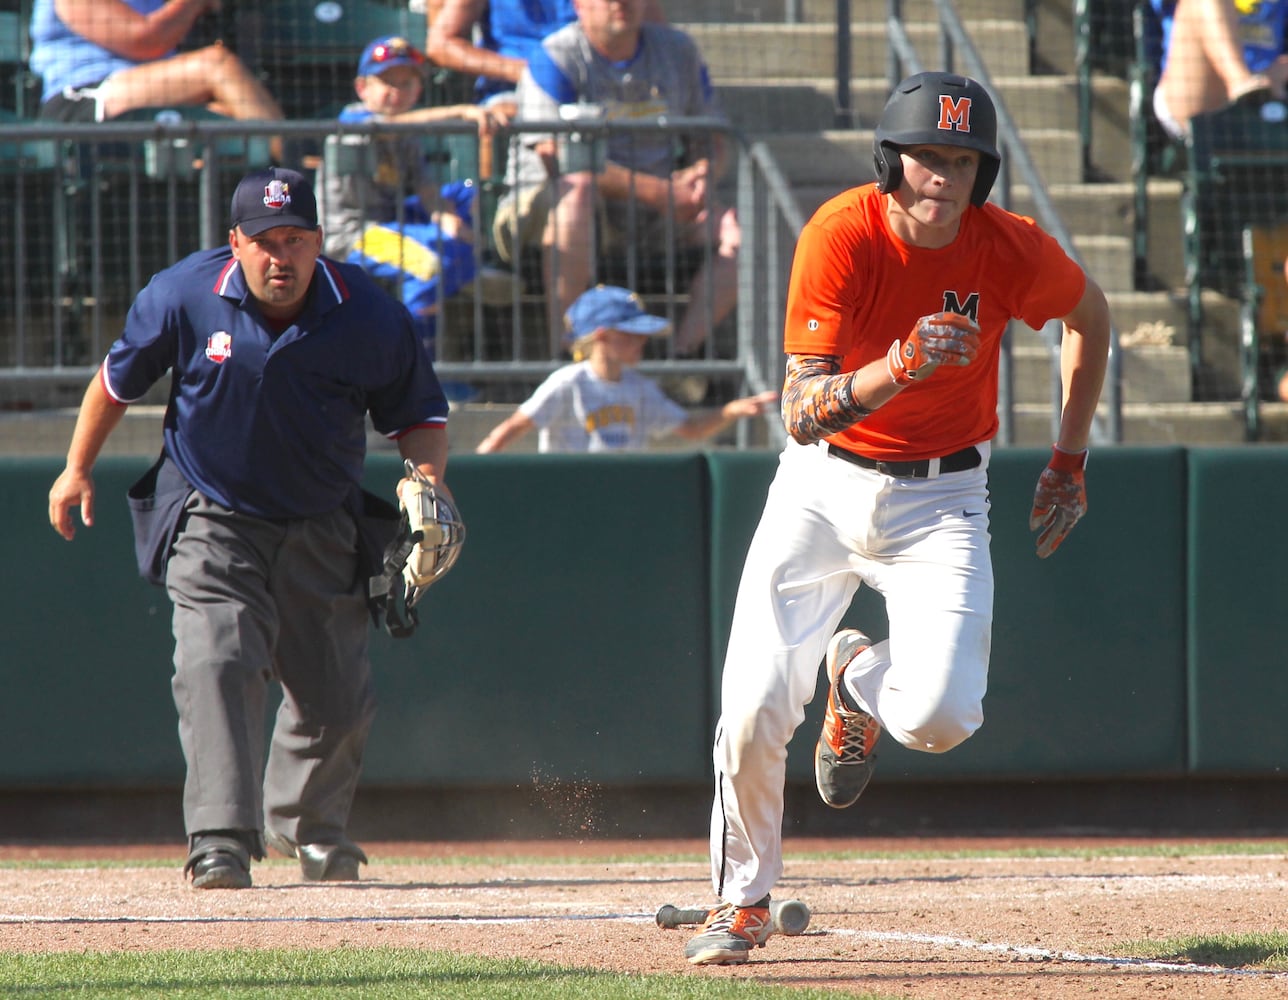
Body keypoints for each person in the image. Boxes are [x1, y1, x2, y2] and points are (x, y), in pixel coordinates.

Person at [682, 72, 1111, 966]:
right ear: (891, 160)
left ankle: (856, 681)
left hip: (943, 495)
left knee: (945, 716)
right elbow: (799, 410)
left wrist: (1069, 459)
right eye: (925, 157)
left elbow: (1090, 317)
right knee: (755, 704)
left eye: (961, 159)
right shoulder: (841, 230)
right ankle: (742, 900)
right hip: (822, 483)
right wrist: (900, 367)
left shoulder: (1007, 246)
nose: (942, 177)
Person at [46, 166, 456, 890]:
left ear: (319, 242)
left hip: (322, 520)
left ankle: (312, 832)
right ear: (234, 242)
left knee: (337, 697)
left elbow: (418, 415)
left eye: (295, 239)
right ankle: (220, 839)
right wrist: (76, 468)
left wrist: (426, 483)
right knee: (218, 661)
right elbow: (115, 382)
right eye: (264, 240)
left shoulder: (366, 311)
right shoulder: (182, 294)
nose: (281, 256)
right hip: (212, 511)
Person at [492, 0, 740, 358]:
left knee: (734, 228)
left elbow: (713, 139)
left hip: (654, 214)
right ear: (578, 5)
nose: (620, 3)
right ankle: (566, 356)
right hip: (543, 206)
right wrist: (659, 191)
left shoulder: (677, 50)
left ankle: (681, 358)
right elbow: (556, 155)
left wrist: (704, 171)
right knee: (577, 191)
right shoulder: (555, 55)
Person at [318, 33, 507, 362]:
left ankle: (467, 262)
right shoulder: (353, 120)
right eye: (387, 82)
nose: (396, 91)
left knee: (463, 194)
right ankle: (416, 366)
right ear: (362, 88)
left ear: (418, 90)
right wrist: (462, 111)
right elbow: (389, 125)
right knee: (429, 264)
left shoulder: (409, 136)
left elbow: (426, 188)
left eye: (406, 84)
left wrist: (443, 216)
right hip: (352, 234)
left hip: (393, 220)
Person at [475, 284, 776, 453]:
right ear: (602, 337)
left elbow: (692, 430)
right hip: (568, 494)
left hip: (622, 491)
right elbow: (508, 430)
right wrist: (476, 476)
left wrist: (732, 411)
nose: (642, 342)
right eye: (631, 335)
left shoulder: (640, 388)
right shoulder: (567, 383)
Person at [29, 0, 283, 127]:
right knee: (216, 65)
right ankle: (296, 185)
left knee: (230, 118)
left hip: (150, 92)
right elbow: (146, 40)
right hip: (79, 103)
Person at [424, 0, 665, 109]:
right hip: (514, 92)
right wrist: (525, 71)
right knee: (501, 115)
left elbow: (661, 37)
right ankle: (494, 202)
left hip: (601, 85)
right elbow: (440, 44)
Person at [1151, 0, 1288, 140]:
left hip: (1268, 85)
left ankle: (1252, 90)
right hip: (1196, 93)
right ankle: (1240, 82)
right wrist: (1249, 83)